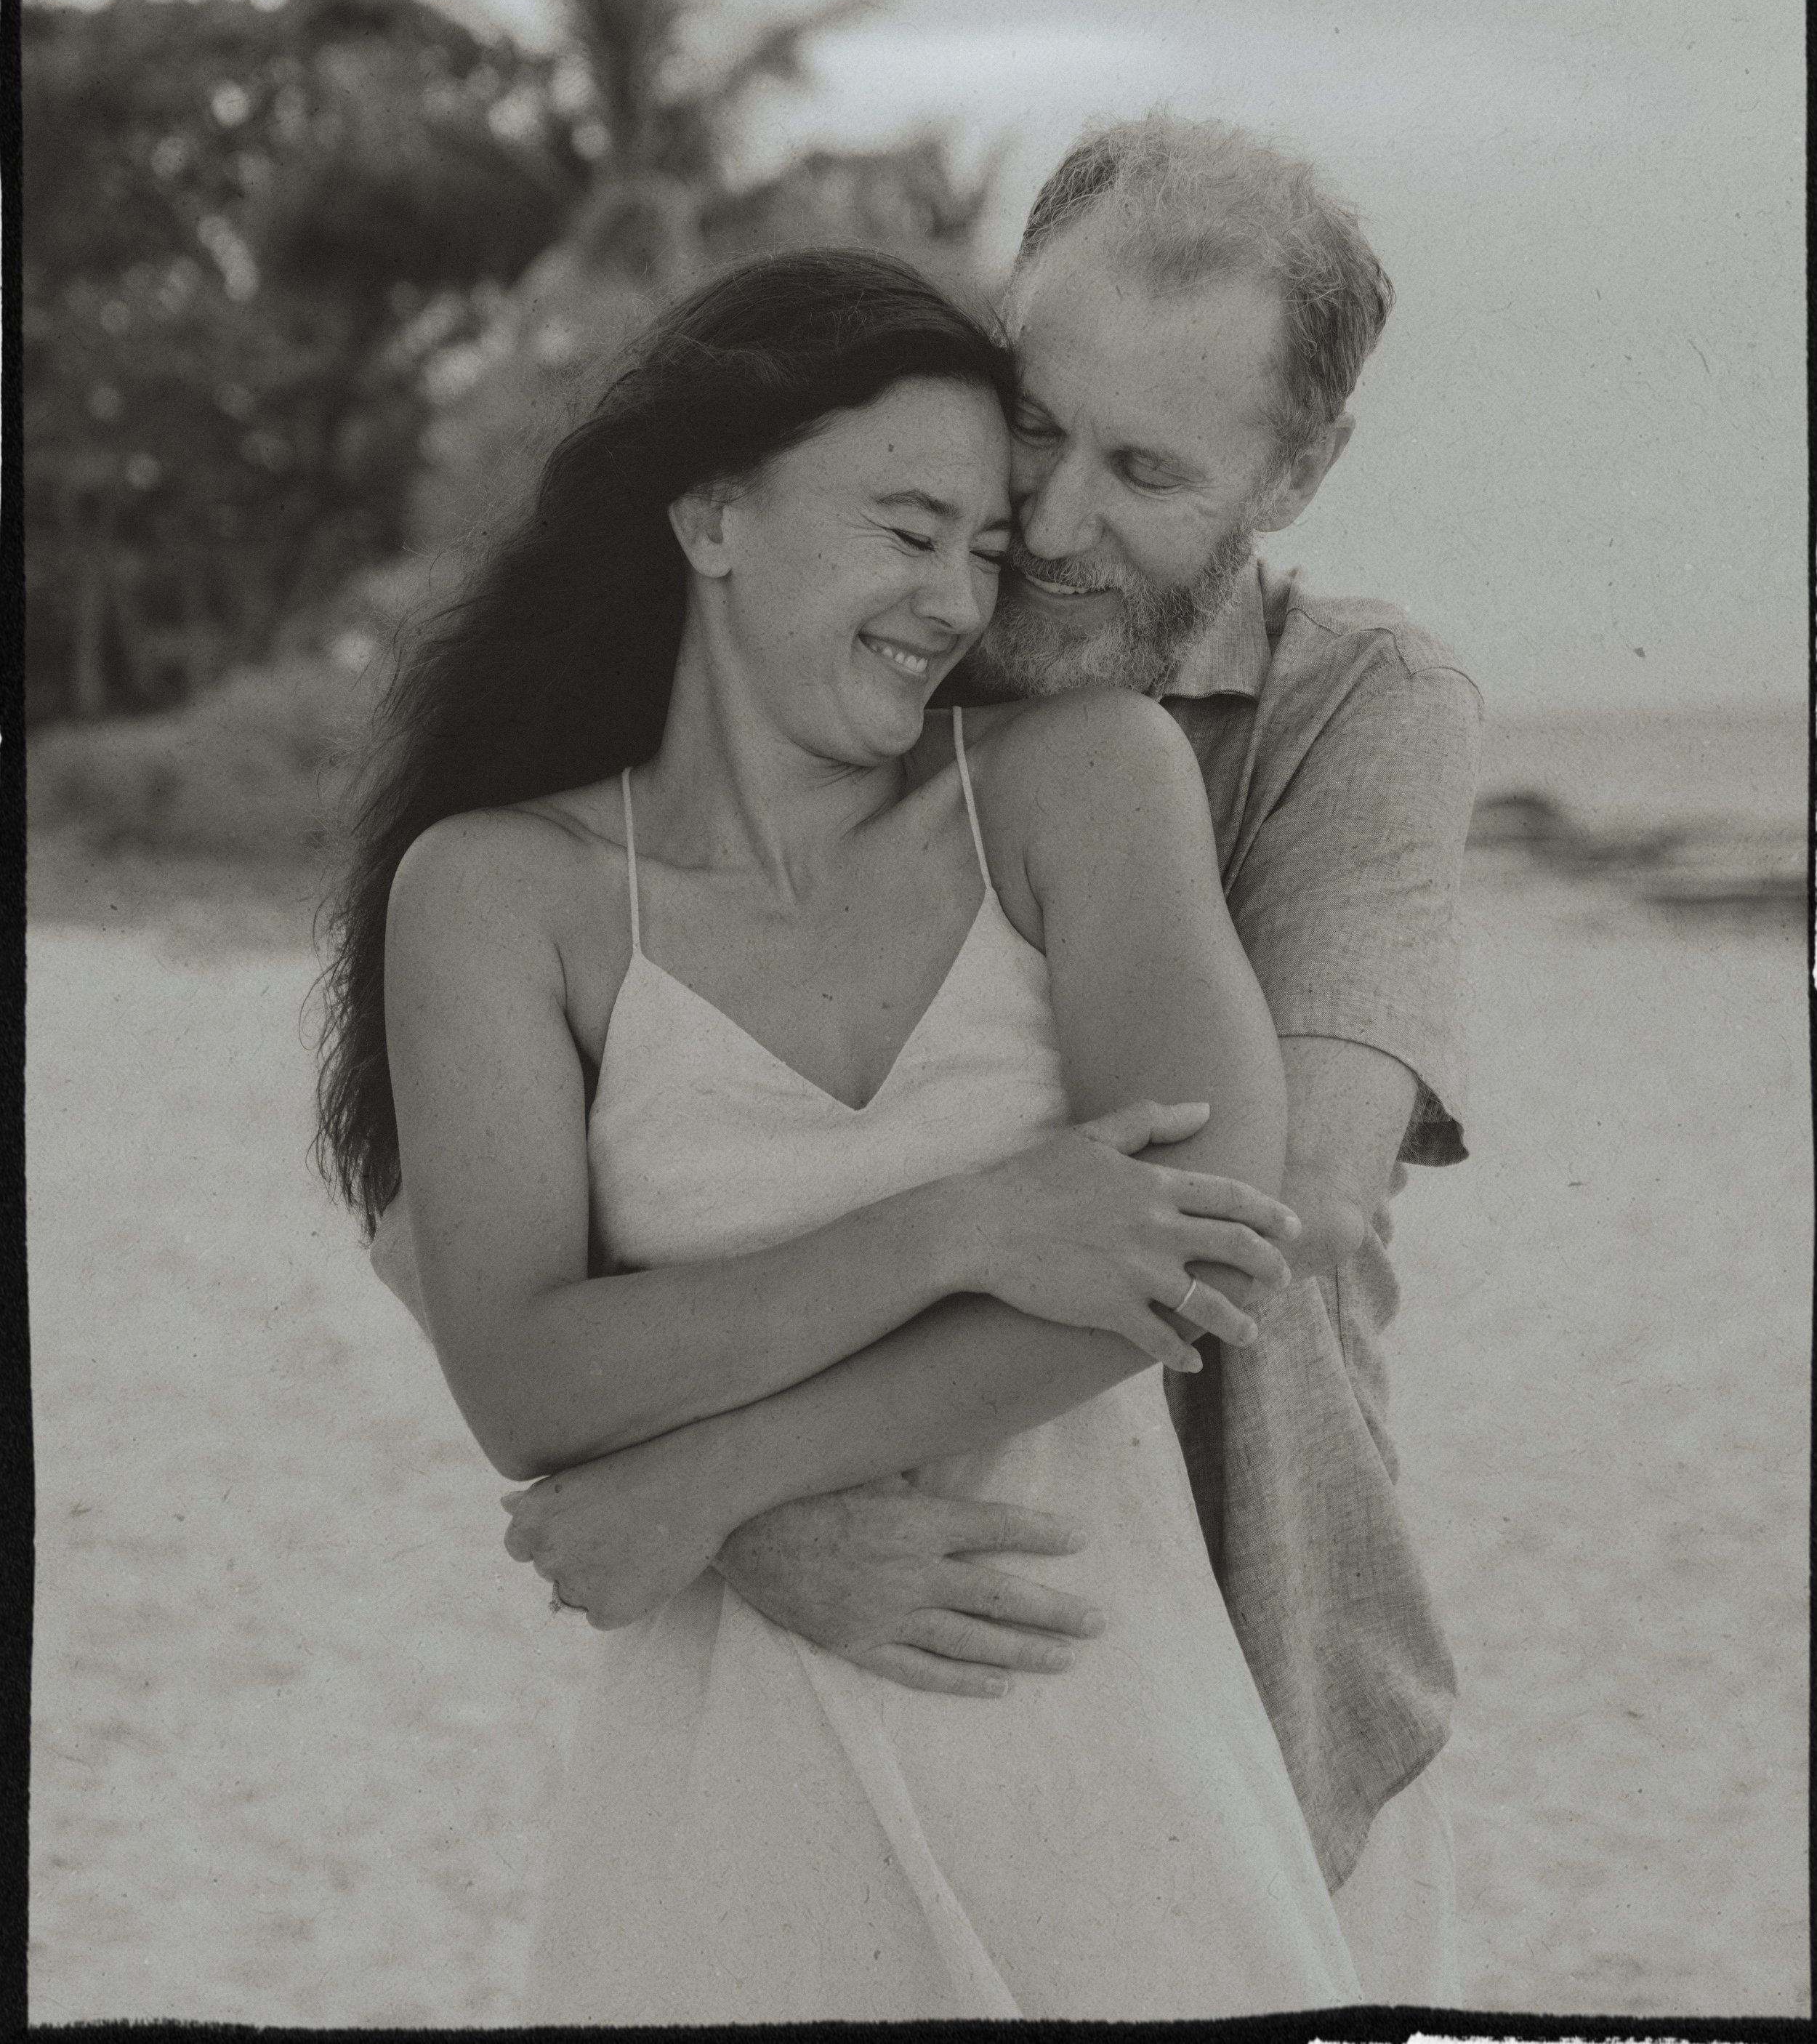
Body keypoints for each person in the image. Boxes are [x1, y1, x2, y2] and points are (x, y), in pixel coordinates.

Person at [493, 117, 1483, 2005]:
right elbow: (498, 1116)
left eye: (1149, 469)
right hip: (853, 1646)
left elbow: (1271, 1199)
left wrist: (729, 1479)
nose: (1045, 519)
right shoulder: (852, 644)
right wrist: (753, 1521)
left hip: (1267, 1656)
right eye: (1034, 421)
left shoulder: (1359, 710)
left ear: (1296, 470)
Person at [321, 248, 1361, 2020]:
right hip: (729, 1758)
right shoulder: (499, 894)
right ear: (713, 511)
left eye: (982, 542)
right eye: (906, 527)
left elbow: (1202, 1239)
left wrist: (716, 1476)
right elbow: (525, 1376)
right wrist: (958, 1224)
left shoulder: (1077, 778)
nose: (959, 594)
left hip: (1097, 1739)